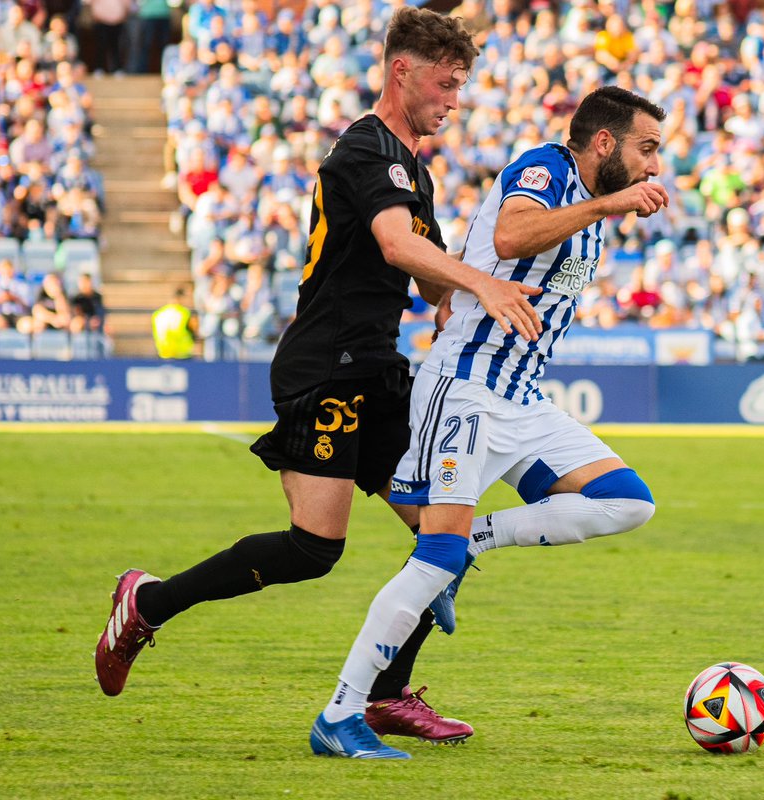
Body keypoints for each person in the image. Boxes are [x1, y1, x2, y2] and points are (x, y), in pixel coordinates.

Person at [94, 6, 541, 755]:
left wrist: (477, 288)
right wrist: (473, 282)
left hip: (378, 371)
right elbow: (397, 245)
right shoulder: (367, 150)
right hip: (325, 367)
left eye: (461, 87)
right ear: (402, 70)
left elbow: (426, 279)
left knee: (446, 538)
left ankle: (386, 697)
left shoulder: (412, 168)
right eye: (446, 83)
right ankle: (148, 603)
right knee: (313, 549)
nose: (454, 101)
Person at [312, 86, 667, 760]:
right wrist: (609, 202)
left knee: (626, 502)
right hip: (468, 388)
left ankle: (473, 541)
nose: (654, 166)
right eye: (646, 149)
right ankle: (340, 713)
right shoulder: (546, 168)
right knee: (432, 556)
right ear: (603, 143)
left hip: (521, 397)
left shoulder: (588, 201)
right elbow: (509, 234)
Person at [150, 286, 197, 359]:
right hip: (182, 354)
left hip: (163, 353)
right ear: (181, 299)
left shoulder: (158, 314)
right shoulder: (185, 313)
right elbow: (194, 328)